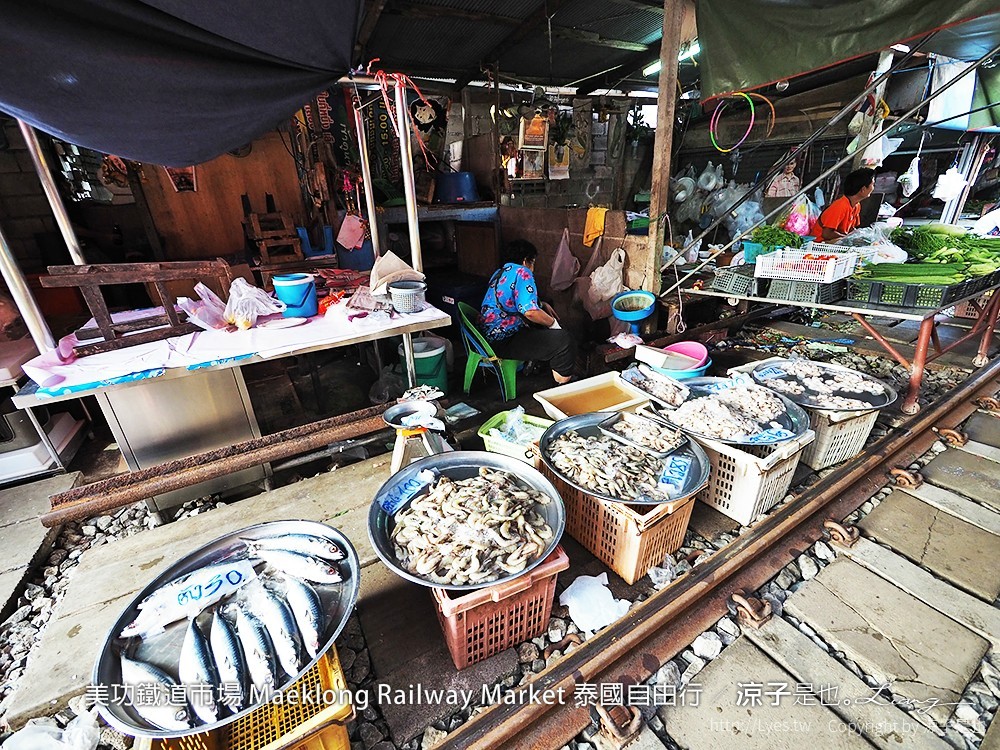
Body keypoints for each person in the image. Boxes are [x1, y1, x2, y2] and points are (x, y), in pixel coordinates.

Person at [479, 239, 576, 384]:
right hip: (504, 340)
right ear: (525, 261)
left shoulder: (500, 272)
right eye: (533, 262)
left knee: (544, 312)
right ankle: (562, 382)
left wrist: (541, 304)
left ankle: (536, 361)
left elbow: (511, 301)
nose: (533, 268)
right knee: (564, 340)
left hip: (486, 337)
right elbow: (530, 312)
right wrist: (553, 324)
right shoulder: (522, 272)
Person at [810, 168, 875, 242]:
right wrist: (847, 238)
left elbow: (851, 229)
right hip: (820, 242)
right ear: (863, 189)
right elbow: (826, 234)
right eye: (873, 184)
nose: (873, 188)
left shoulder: (856, 205)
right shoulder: (840, 206)